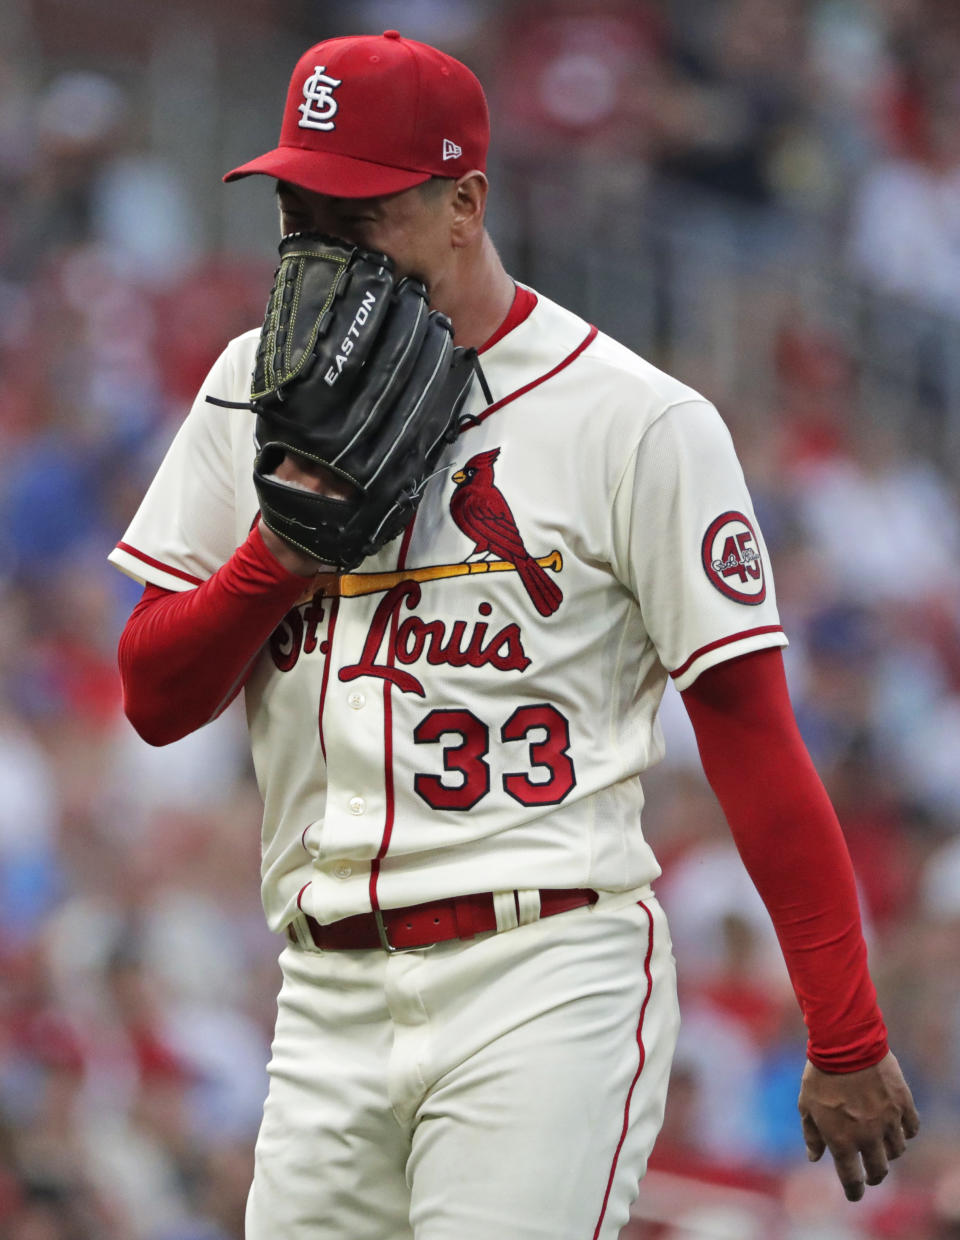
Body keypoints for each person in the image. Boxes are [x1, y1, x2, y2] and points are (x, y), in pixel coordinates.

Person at [110, 30, 918, 1240]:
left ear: (463, 204)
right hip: (324, 987)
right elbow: (153, 696)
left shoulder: (633, 419)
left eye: (359, 213)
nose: (324, 248)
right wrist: (278, 556)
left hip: (544, 971)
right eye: (301, 211)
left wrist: (844, 1027)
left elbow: (750, 731)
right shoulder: (248, 390)